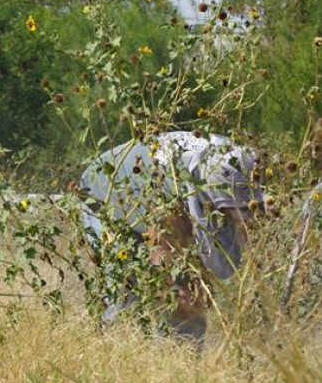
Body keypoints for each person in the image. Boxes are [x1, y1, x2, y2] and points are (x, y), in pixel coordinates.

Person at [79, 130, 264, 338]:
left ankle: (185, 362)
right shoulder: (174, 188)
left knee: (189, 293)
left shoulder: (238, 164)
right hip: (105, 200)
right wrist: (181, 290)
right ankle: (124, 357)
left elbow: (241, 224)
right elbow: (161, 255)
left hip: (148, 198)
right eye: (227, 210)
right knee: (126, 299)